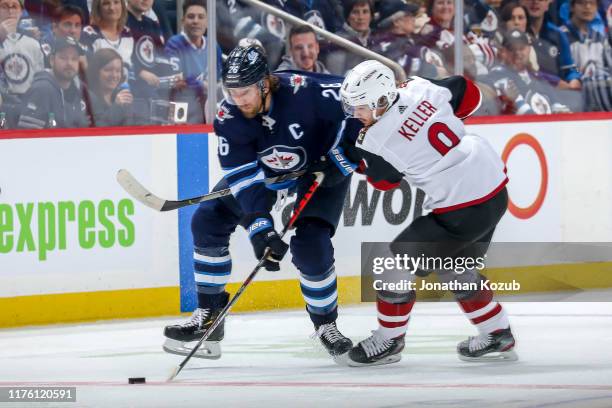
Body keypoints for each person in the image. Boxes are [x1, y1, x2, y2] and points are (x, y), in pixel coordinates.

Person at [163, 44, 361, 362]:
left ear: (264, 84)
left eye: (244, 92)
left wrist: (341, 159)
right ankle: (209, 318)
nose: (238, 100)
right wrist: (260, 229)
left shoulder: (308, 93)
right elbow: (243, 176)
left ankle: (326, 326)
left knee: (311, 244)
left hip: (321, 172)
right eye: (232, 91)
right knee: (208, 220)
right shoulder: (229, 117)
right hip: (270, 173)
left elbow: (360, 102)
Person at [339, 60, 517, 366]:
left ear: (381, 101)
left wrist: (350, 158)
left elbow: (384, 182)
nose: (356, 114)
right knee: (453, 265)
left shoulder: (374, 140)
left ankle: (389, 340)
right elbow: (469, 93)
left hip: (460, 208)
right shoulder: (420, 87)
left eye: (361, 107)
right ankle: (497, 332)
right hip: (494, 189)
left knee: (389, 266)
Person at [165, 0, 222, 123]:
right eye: (191, 17)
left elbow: (217, 82)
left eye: (201, 17)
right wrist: (204, 85)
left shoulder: (213, 45)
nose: (196, 21)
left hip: (207, 108)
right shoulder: (174, 43)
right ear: (182, 21)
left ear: (207, 22)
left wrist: (202, 85)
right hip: (181, 107)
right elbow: (180, 82)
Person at [17, 36, 89, 128]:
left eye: (74, 59)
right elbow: (28, 136)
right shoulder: (41, 89)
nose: (69, 63)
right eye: (63, 58)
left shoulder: (79, 88)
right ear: (52, 60)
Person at [519, 0, 582, 89]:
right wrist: (554, 82)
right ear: (521, 2)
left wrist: (575, 78)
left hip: (556, 97)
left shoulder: (558, 34)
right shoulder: (515, 35)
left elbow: (571, 68)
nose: (535, 1)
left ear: (548, 5)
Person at [0, 0, 44, 126]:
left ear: (21, 11)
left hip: (27, 104)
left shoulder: (33, 43)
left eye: (14, 6)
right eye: (4, 6)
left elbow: (40, 80)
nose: (10, 11)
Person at [86, 48, 133, 126]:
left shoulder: (121, 96)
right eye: (108, 70)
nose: (114, 75)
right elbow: (98, 128)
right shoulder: (88, 98)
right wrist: (117, 107)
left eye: (118, 71)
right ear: (96, 71)